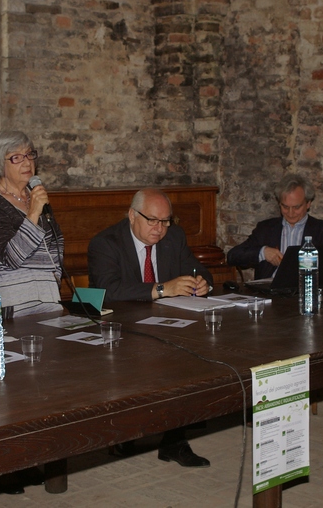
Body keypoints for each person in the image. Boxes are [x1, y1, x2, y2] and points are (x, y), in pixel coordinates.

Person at [88, 188, 212, 467]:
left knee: (186, 357)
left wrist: (203, 283)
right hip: (121, 324)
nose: (159, 229)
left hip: (167, 322)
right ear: (132, 215)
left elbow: (199, 271)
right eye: (152, 221)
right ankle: (125, 432)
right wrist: (160, 288)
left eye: (166, 221)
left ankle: (174, 442)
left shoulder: (174, 237)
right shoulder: (105, 242)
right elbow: (107, 290)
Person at [0, 131, 64, 317]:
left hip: (48, 301)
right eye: (16, 157)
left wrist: (54, 277)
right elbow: (11, 257)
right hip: (11, 307)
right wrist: (32, 213)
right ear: (0, 164)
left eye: (29, 154)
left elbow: (56, 240)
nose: (27, 162)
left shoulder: (35, 196)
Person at [227, 173, 323, 279]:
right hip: (269, 293)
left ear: (308, 204)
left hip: (306, 291)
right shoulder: (266, 229)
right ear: (279, 203)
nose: (290, 213)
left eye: (297, 207)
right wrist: (263, 252)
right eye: (285, 207)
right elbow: (233, 256)